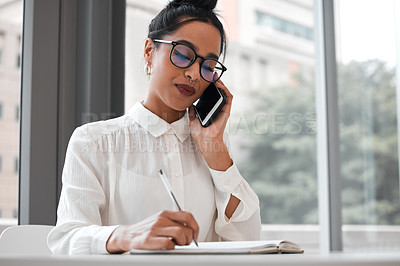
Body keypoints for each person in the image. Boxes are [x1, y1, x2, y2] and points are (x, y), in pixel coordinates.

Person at [48, 0, 261, 255]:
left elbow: (248, 239)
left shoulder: (213, 149)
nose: (194, 74)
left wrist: (216, 153)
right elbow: (66, 239)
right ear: (149, 51)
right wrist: (125, 235)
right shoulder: (93, 141)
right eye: (183, 54)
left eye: (208, 65)